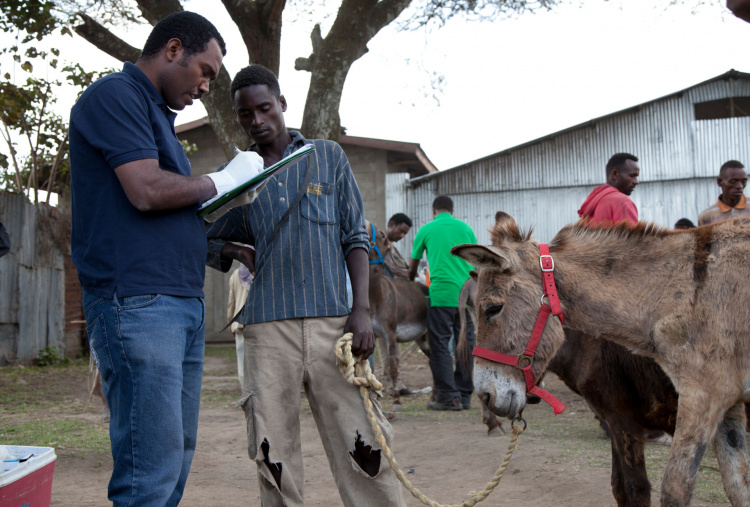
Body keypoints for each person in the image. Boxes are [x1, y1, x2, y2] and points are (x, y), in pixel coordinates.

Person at [69, 12, 261, 506]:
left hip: (177, 304)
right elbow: (147, 192)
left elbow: (171, 210)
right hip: (137, 303)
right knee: (148, 473)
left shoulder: (156, 117)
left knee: (172, 462)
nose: (205, 86)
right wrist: (223, 180)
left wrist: (224, 242)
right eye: (205, 71)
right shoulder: (115, 96)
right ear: (173, 49)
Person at [205, 64, 406, 507]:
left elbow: (355, 235)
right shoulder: (239, 174)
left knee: (362, 440)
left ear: (282, 105)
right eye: (245, 114)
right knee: (271, 448)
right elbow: (200, 231)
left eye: (264, 108)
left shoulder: (326, 155)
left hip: (335, 323)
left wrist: (361, 312)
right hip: (266, 329)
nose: (256, 120)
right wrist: (237, 251)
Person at [408, 195, 477, 411]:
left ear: (433, 210)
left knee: (439, 346)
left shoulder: (427, 229)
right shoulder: (465, 229)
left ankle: (449, 396)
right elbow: (475, 262)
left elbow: (414, 265)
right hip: (466, 297)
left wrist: (410, 279)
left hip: (441, 296)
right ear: (452, 211)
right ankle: (465, 396)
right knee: (465, 345)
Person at [578, 153, 640, 226]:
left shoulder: (594, 200)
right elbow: (631, 237)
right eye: (632, 176)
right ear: (615, 174)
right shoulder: (623, 203)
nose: (636, 182)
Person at [698, 160, 750, 225]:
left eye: (744, 181)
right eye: (733, 181)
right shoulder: (706, 217)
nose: (740, 186)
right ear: (719, 182)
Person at [227, 263, 252, 386]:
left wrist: (231, 323)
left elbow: (231, 302)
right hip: (257, 323)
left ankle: (245, 392)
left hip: (239, 324)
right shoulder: (260, 271)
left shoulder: (235, 274)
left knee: (242, 362)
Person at [382, 212, 412, 279]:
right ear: (391, 224)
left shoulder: (392, 248)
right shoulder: (381, 243)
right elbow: (388, 265)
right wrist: (409, 275)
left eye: (404, 234)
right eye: (401, 231)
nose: (402, 236)